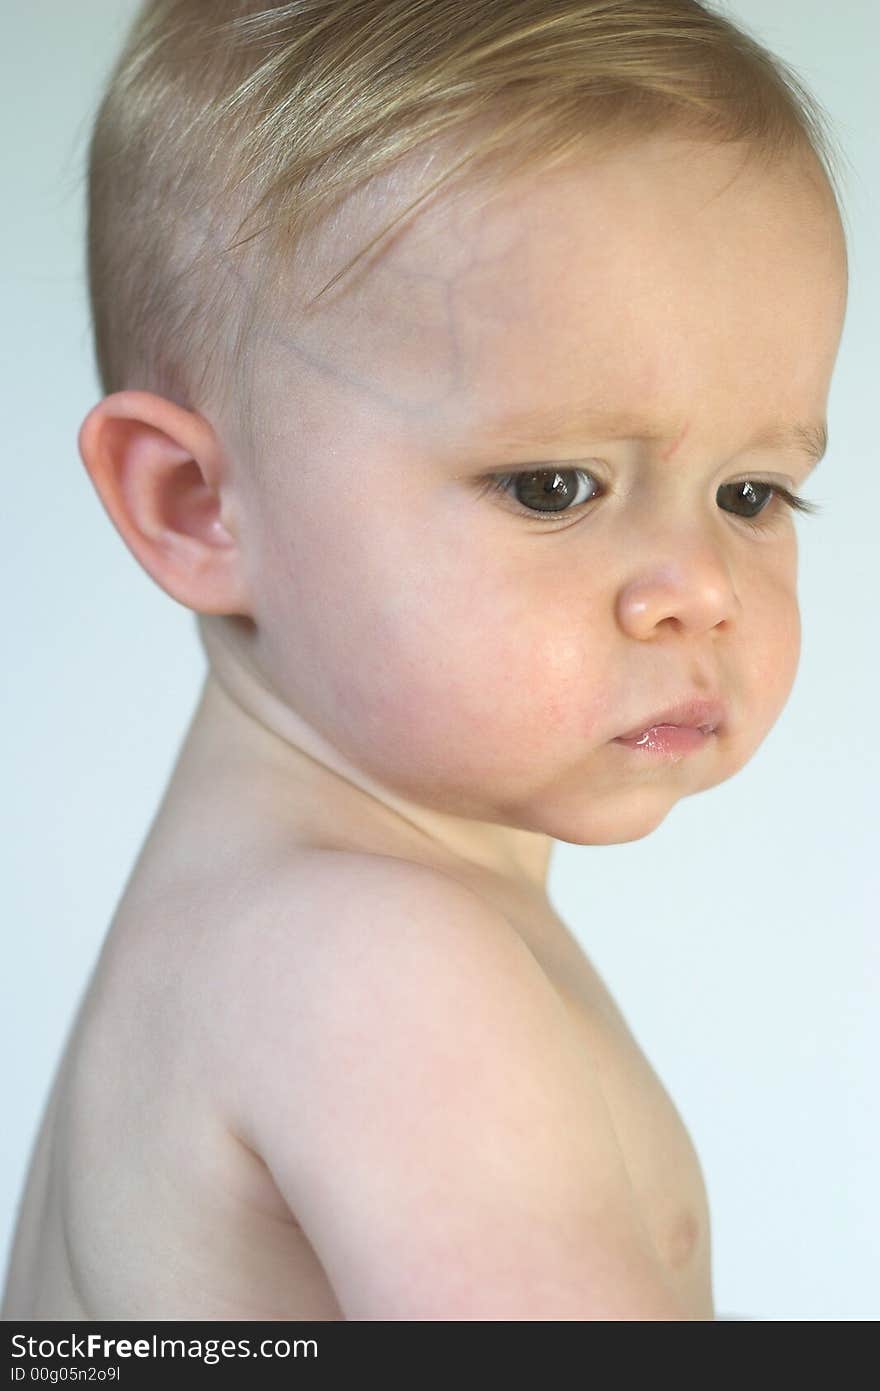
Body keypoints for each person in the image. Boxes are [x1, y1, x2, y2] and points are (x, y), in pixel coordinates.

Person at [1, 0, 848, 1320]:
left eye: (752, 494)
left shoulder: (255, 929)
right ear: (194, 504)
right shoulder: (382, 967)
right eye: (556, 483)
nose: (700, 590)